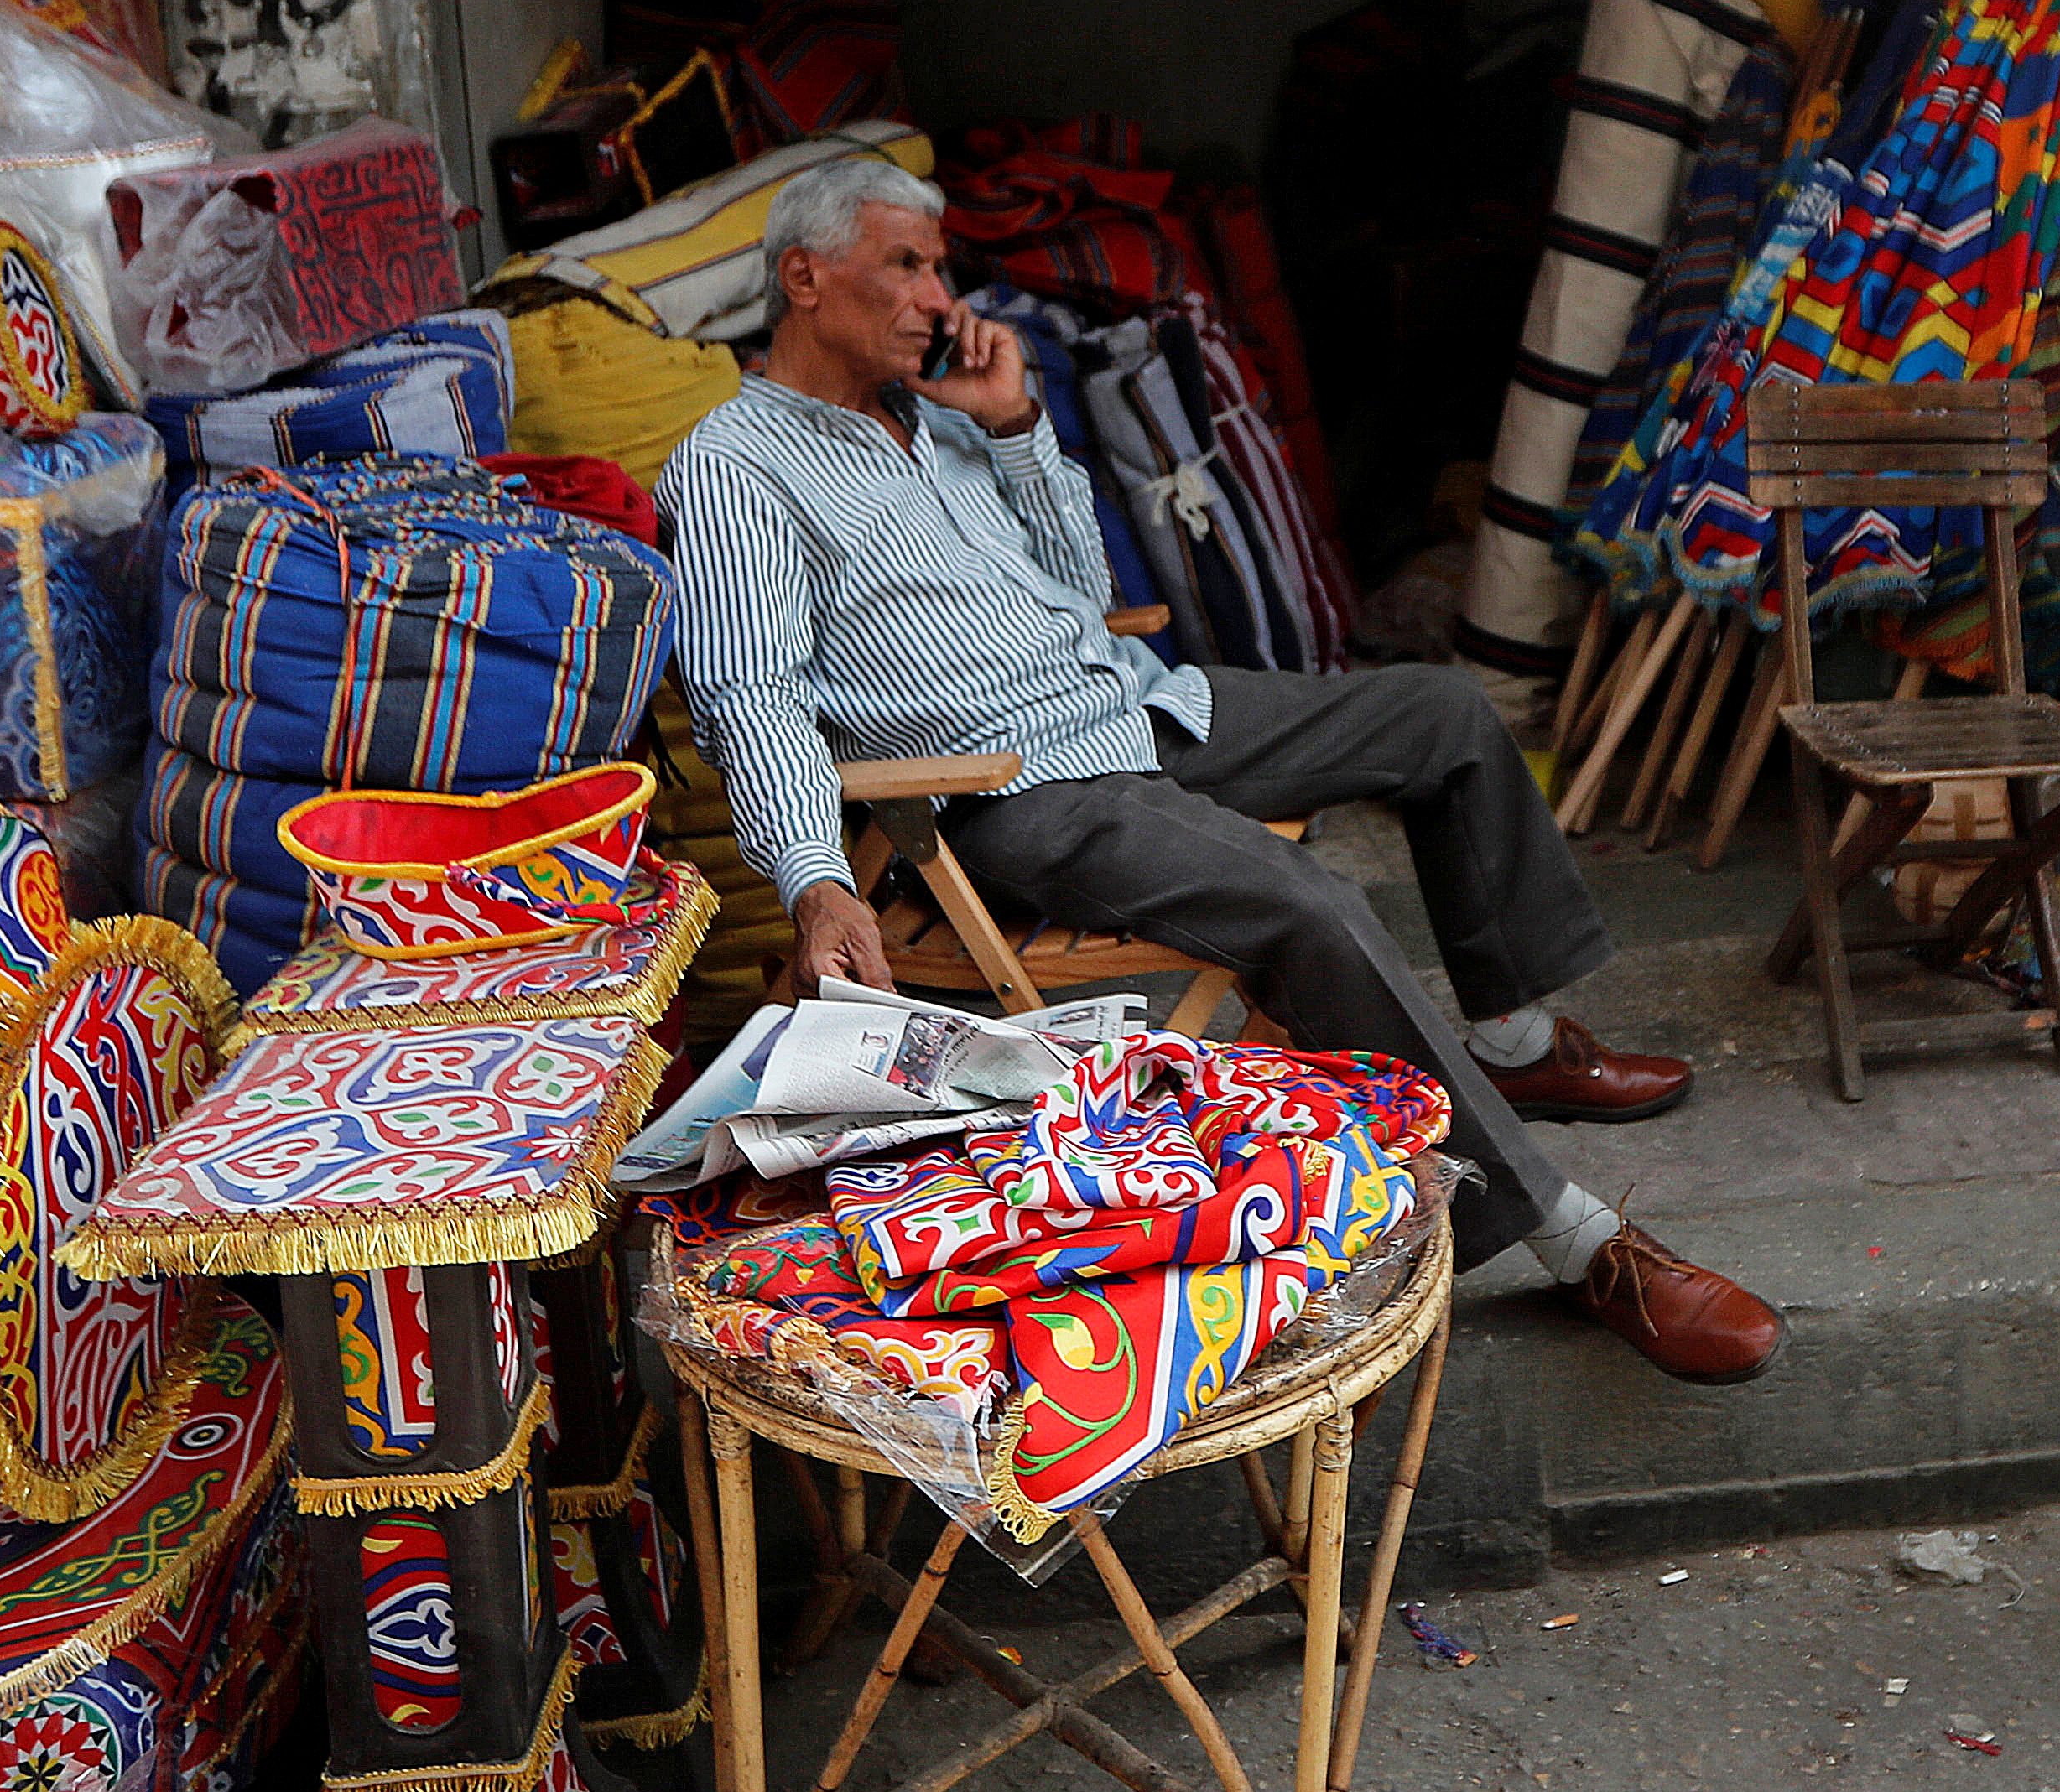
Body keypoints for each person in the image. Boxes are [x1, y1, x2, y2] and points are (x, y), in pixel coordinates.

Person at [658, 155, 1784, 1384]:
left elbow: (1081, 593)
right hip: (1008, 788)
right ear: (806, 277)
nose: (941, 294)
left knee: (1444, 712)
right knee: (1312, 905)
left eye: (943, 265)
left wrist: (1022, 429)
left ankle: (1511, 1041)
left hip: (1128, 706)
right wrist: (817, 876)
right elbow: (747, 689)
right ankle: (1572, 1236)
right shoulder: (736, 465)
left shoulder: (936, 421)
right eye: (909, 263)